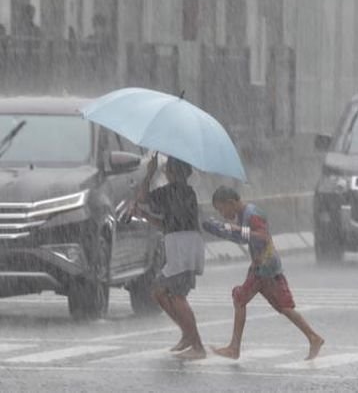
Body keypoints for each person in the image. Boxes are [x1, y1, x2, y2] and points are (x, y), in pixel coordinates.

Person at [204, 186, 324, 361]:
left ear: (231, 203)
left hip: (265, 268)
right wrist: (226, 232)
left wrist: (236, 229)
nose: (222, 213)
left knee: (247, 300)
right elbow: (246, 238)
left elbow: (262, 236)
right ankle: (313, 337)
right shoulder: (245, 215)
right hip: (264, 267)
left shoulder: (252, 214)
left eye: (222, 209)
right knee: (280, 306)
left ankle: (234, 348)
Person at [135, 155, 206, 360]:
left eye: (167, 170)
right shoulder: (187, 193)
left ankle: (197, 345)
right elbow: (169, 223)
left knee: (176, 296)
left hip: (182, 247)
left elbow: (142, 197)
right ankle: (187, 335)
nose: (164, 172)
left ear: (172, 172)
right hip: (183, 245)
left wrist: (149, 173)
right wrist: (147, 216)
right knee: (159, 291)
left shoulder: (170, 191)